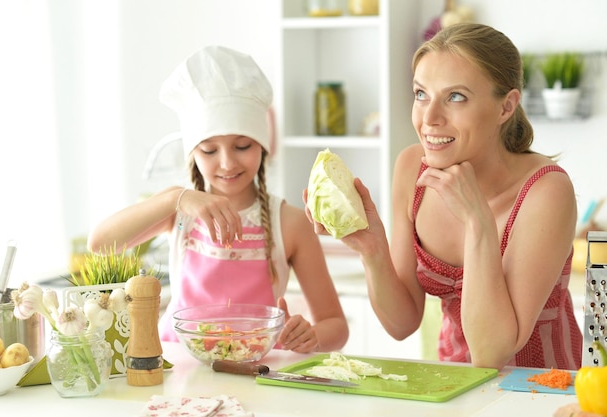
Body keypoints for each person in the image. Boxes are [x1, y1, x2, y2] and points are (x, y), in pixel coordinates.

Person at [305, 23, 582, 370]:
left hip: (538, 393)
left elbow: (492, 352)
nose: (429, 119)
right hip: (454, 389)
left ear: (506, 107)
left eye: (455, 97)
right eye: (421, 94)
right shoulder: (411, 169)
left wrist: (477, 222)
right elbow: (401, 324)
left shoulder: (546, 191)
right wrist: (372, 249)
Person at [88, 45, 348, 353]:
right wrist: (176, 197)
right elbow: (100, 244)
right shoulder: (177, 210)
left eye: (242, 146)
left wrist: (312, 336)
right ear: (192, 153)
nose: (227, 163)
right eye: (209, 150)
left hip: (256, 370)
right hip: (178, 366)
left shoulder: (289, 222)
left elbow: (336, 326)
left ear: (263, 146)